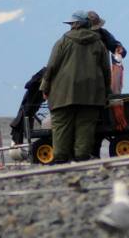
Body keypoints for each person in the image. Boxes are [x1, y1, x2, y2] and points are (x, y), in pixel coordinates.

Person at [40, 10, 112, 163]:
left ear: (75, 25)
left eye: (72, 24)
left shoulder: (62, 41)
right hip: (92, 95)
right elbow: (106, 70)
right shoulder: (99, 43)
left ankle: (60, 159)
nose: (71, 26)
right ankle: (81, 157)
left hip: (62, 93)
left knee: (61, 126)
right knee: (85, 126)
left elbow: (51, 66)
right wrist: (107, 91)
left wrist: (44, 88)